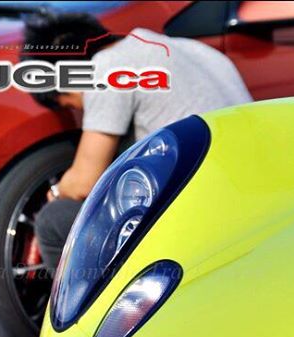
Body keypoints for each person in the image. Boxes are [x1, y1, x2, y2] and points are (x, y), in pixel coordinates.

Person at [22, 12, 253, 272]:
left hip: (198, 223)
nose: (81, 112)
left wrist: (55, 193)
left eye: (71, 104)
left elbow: (83, 183)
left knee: (51, 220)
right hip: (254, 207)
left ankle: (93, 302)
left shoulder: (110, 67)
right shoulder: (195, 50)